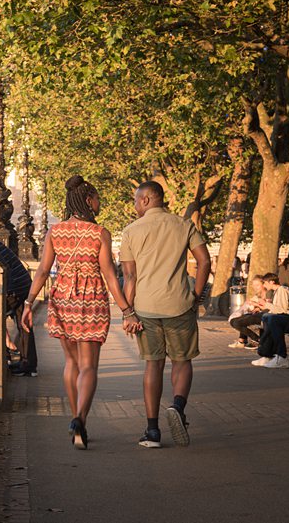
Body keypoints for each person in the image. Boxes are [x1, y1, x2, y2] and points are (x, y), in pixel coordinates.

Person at [21, 175, 134, 450]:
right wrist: (127, 311)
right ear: (87, 200)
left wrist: (28, 303)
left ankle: (75, 421)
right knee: (88, 366)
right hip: (91, 301)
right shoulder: (100, 234)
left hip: (62, 300)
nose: (99, 202)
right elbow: (109, 275)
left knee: (71, 363)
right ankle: (81, 418)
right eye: (96, 198)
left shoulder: (54, 232)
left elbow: (43, 271)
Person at [119, 181, 211, 449]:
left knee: (153, 365)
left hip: (146, 308)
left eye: (137, 201)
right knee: (182, 362)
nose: (135, 206)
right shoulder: (184, 225)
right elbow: (205, 261)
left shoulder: (131, 231)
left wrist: (128, 312)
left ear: (147, 200)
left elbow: (130, 276)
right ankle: (178, 407)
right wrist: (196, 295)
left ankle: (152, 431)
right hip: (180, 305)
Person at [0, 227, 37, 377]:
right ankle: (28, 364)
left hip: (15, 288)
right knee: (24, 324)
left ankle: (9, 358)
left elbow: (1, 270)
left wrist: (7, 293)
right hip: (24, 285)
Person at [228, 275, 267, 348]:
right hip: (256, 314)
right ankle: (242, 340)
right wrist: (254, 307)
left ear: (263, 284)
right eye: (254, 285)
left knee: (237, 322)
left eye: (257, 285)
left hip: (263, 316)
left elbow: (267, 307)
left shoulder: (268, 294)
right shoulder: (258, 295)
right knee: (235, 320)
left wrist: (255, 305)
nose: (255, 287)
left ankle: (257, 339)